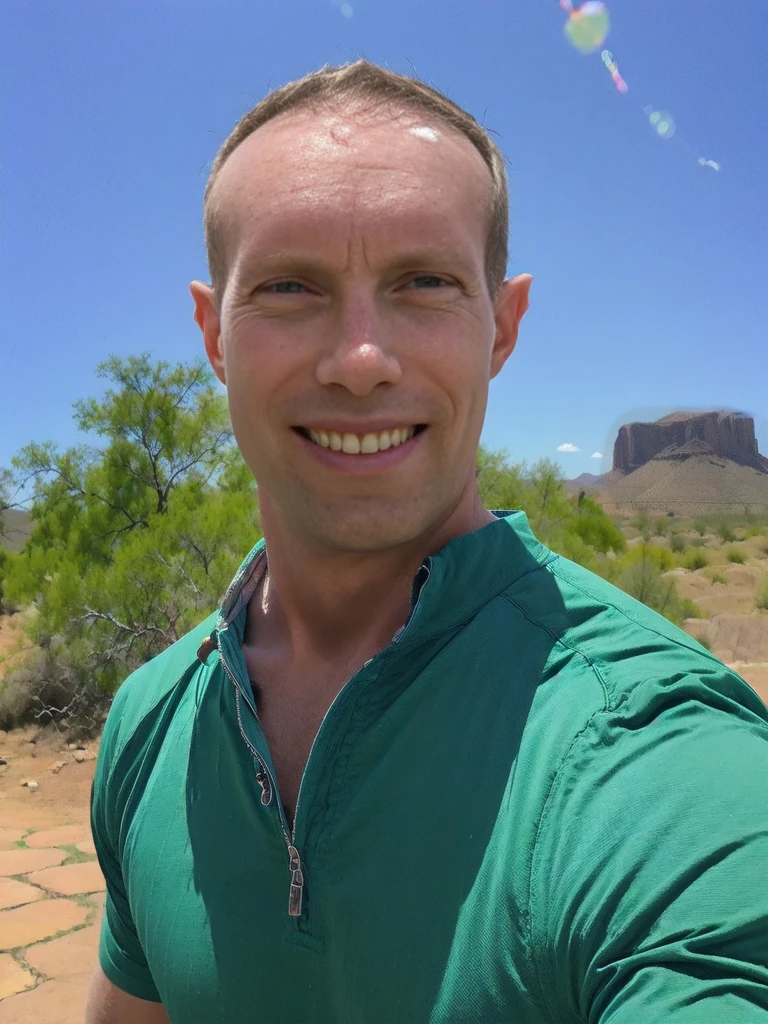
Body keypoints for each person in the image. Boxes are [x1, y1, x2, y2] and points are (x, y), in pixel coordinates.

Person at [85, 60, 768, 1024]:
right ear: (213, 333)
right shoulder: (151, 723)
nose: (361, 360)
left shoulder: (648, 751)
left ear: (503, 325)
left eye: (426, 282)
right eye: (289, 286)